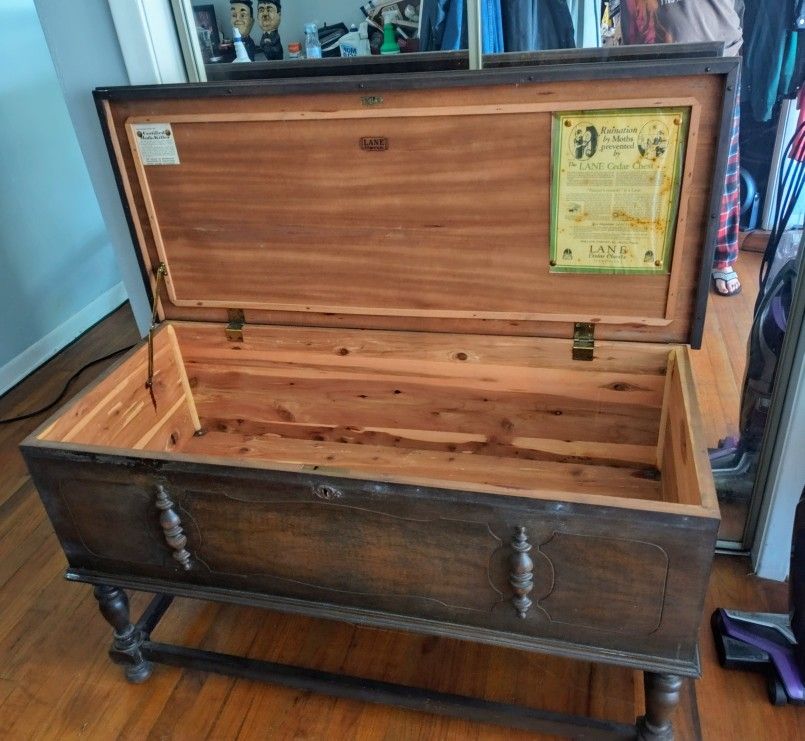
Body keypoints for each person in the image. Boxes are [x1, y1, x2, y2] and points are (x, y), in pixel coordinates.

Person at [621, 0, 744, 296]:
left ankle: (722, 257)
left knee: (720, 164)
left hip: (716, 52)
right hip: (647, 54)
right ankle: (646, 250)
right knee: (647, 160)